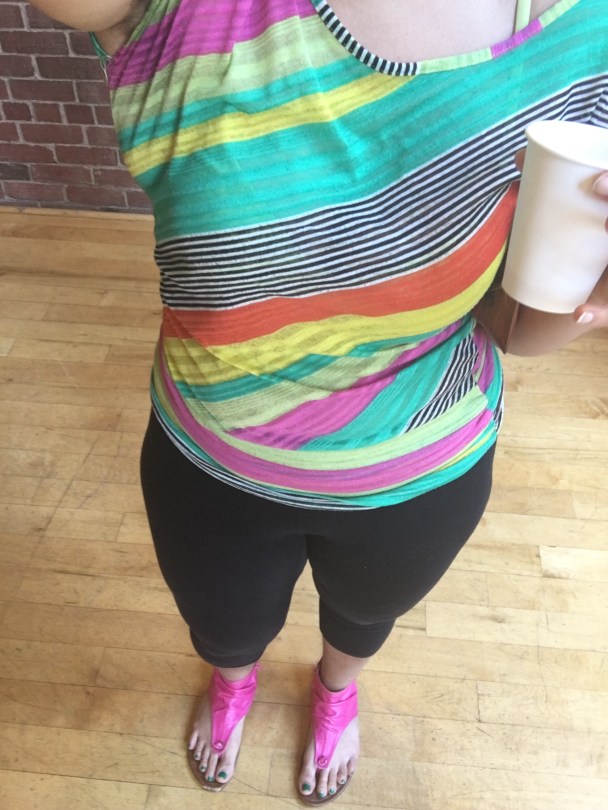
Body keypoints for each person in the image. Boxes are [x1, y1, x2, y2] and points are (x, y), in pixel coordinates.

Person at [28, 0, 608, 804]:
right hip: (211, 464)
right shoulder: (184, 14)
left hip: (421, 472)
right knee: (224, 628)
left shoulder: (587, 37)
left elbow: (515, 326)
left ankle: (337, 692)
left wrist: (589, 291)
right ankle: (233, 683)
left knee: (363, 619)